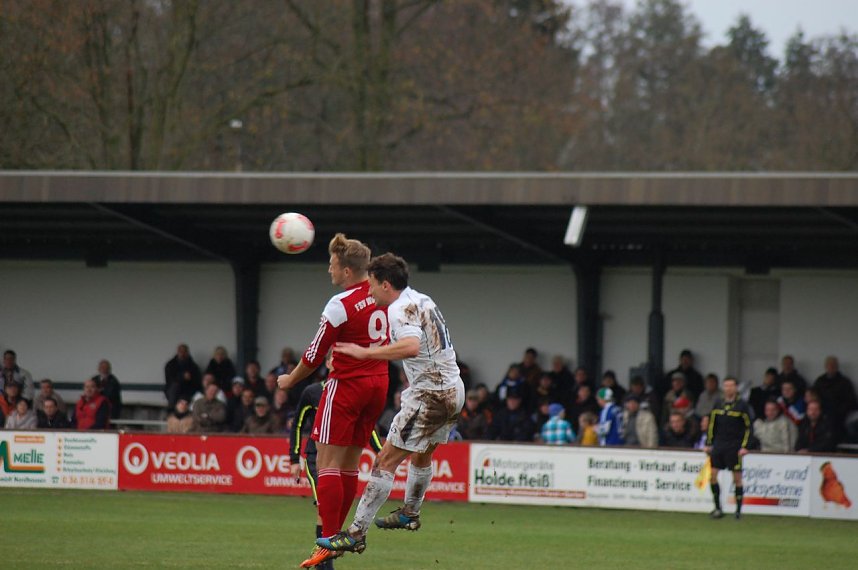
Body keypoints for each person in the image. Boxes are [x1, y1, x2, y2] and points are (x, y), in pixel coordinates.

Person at [317, 252, 465, 561]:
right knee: (422, 454)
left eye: (372, 285)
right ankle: (410, 512)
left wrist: (365, 353)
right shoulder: (422, 299)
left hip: (430, 394)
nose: (369, 291)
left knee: (384, 461)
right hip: (454, 388)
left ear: (386, 284)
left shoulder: (398, 309)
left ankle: (355, 534)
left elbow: (411, 346)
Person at [275, 234, 390, 569]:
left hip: (347, 385)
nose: (329, 270)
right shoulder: (382, 295)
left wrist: (290, 379)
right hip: (378, 384)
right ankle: (337, 537)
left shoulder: (340, 304)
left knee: (327, 464)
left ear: (347, 271)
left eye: (332, 264)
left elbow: (315, 354)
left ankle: (327, 540)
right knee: (350, 465)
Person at [705, 376, 752, 520]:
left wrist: (745, 446)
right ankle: (717, 508)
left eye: (731, 386)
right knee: (712, 476)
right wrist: (708, 443)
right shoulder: (718, 403)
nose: (728, 388)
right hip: (719, 445)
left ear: (736, 388)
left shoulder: (742, 406)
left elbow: (749, 427)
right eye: (726, 386)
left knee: (737, 478)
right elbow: (712, 424)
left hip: (734, 446)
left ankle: (738, 511)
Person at [812, 356, 858, 441]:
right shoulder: (820, 381)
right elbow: (814, 397)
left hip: (840, 416)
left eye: (834, 365)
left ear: (837, 366)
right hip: (821, 414)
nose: (831, 367)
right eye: (829, 365)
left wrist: (839, 410)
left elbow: (852, 401)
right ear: (825, 366)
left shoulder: (845, 382)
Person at [164, 343, 202, 410]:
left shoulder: (193, 366)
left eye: (184, 351)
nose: (182, 353)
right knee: (175, 387)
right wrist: (182, 377)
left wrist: (190, 378)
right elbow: (169, 379)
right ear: (177, 352)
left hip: (188, 390)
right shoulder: (170, 365)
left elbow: (197, 381)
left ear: (187, 352)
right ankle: (171, 410)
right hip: (173, 390)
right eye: (180, 351)